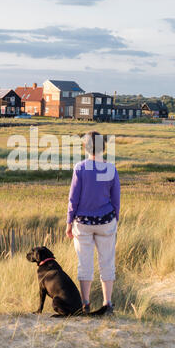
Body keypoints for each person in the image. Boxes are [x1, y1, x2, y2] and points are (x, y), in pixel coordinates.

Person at [66, 131, 120, 315]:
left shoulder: (80, 168)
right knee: (107, 262)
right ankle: (108, 304)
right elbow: (116, 200)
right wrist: (115, 221)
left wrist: (68, 222)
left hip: (82, 222)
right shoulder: (111, 168)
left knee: (85, 263)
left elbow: (73, 199)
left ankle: (85, 303)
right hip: (106, 221)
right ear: (103, 147)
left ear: (85, 147)